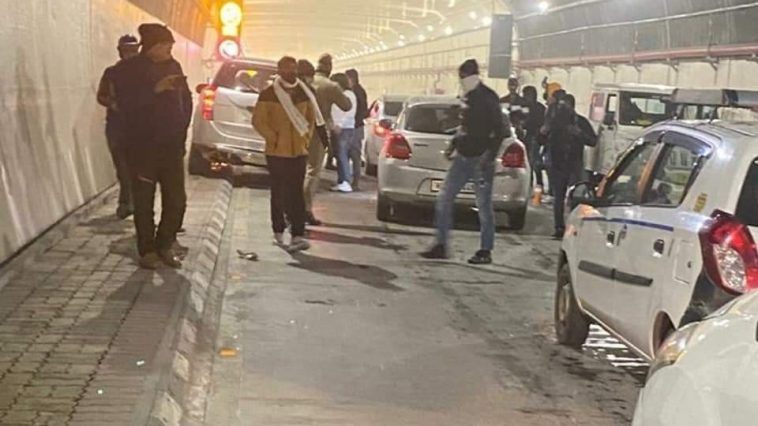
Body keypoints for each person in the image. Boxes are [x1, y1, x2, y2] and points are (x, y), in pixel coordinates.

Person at [110, 24, 192, 270]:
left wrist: (182, 130)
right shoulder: (128, 70)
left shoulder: (173, 66)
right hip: (142, 147)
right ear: (152, 46)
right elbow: (124, 105)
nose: (169, 50)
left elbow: (185, 100)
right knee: (144, 202)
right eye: (166, 45)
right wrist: (155, 90)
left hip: (171, 146)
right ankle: (147, 250)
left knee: (176, 200)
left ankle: (165, 243)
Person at [421, 59, 509, 265]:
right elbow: (464, 127)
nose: (461, 81)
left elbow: (499, 130)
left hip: (481, 160)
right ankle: (441, 244)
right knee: (444, 198)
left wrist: (489, 156)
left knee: (484, 206)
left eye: (462, 77)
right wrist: (453, 145)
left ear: (471, 75)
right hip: (463, 157)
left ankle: (485, 250)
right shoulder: (468, 97)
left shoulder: (488, 98)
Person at [252, 56, 316, 252]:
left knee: (296, 193)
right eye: (287, 69)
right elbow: (258, 121)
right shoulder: (268, 94)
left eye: (293, 69)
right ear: (279, 71)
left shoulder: (304, 93)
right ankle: (278, 230)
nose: (291, 73)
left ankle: (297, 233)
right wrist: (274, 138)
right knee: (279, 192)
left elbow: (311, 119)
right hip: (277, 152)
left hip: (299, 152)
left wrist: (305, 139)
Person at [303, 54, 352, 225]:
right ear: (330, 68)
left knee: (297, 170)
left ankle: (292, 209)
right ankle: (305, 209)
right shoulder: (331, 86)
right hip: (318, 132)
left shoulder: (305, 82)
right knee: (313, 171)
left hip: (298, 129)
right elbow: (346, 105)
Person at [96, 34, 140, 219]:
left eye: (133, 50)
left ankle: (135, 204)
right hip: (117, 127)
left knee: (137, 169)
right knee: (122, 168)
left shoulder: (144, 74)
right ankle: (126, 203)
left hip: (139, 128)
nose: (130, 54)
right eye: (126, 50)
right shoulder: (111, 73)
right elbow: (101, 96)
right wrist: (112, 103)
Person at [542, 93, 596, 239]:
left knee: (576, 197)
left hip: (574, 163)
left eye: (565, 106)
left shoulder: (580, 122)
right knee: (558, 198)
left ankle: (575, 227)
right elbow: (542, 139)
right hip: (557, 163)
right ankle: (559, 227)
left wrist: (579, 134)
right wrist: (544, 131)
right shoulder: (554, 122)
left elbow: (593, 141)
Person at [330, 73, 357, 193]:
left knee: (342, 154)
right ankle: (341, 181)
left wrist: (340, 125)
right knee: (339, 155)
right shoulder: (339, 95)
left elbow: (349, 112)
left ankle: (346, 181)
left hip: (345, 128)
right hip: (337, 127)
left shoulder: (349, 95)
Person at [521, 86, 547, 198]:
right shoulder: (524, 106)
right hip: (527, 137)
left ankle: (535, 185)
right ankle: (532, 184)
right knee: (530, 162)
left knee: (534, 162)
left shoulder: (539, 108)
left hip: (535, 137)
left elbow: (542, 122)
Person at [346, 68, 368, 190]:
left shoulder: (355, 92)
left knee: (353, 156)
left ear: (352, 78)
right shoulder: (360, 91)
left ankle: (354, 182)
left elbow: (361, 111)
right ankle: (352, 182)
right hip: (356, 126)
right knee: (353, 156)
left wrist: (352, 121)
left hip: (354, 127)